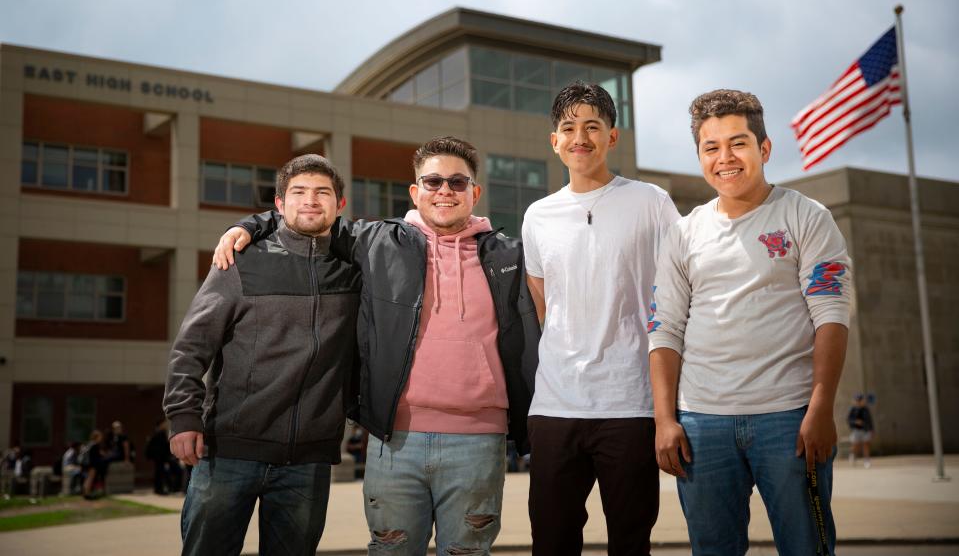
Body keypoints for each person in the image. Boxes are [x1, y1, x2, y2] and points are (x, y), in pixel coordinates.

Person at [214, 136, 541, 556]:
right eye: (433, 181)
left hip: (479, 441)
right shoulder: (377, 241)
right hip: (395, 439)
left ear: (474, 192)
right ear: (415, 191)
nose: (444, 191)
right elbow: (309, 219)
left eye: (457, 183)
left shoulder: (508, 255)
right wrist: (249, 225)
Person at [648, 89, 851, 555]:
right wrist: (665, 419)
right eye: (711, 147)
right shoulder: (684, 233)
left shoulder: (807, 217)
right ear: (699, 154)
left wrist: (820, 407)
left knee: (808, 548)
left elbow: (831, 316)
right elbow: (665, 329)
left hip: (790, 418)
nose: (725, 158)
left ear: (764, 148)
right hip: (702, 423)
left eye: (738, 143)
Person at [164, 154, 361, 556]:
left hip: (309, 460)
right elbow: (192, 345)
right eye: (299, 192)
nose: (310, 200)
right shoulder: (240, 262)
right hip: (228, 452)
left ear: (339, 206)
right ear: (279, 204)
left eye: (322, 193)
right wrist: (183, 415)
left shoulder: (355, 269)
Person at [521, 82, 680, 556]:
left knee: (630, 543)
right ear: (555, 141)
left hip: (630, 404)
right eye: (568, 128)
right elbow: (543, 303)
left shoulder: (650, 202)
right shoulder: (538, 216)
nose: (580, 138)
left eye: (592, 126)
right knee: (551, 542)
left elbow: (678, 290)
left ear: (612, 137)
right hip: (554, 406)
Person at [847, 393, 874, 467]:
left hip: (865, 430)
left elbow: (870, 420)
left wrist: (872, 430)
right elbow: (849, 420)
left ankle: (866, 461)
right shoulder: (853, 409)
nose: (859, 401)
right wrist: (856, 422)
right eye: (857, 400)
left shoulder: (866, 409)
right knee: (855, 445)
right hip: (856, 430)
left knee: (866, 445)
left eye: (860, 400)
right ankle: (852, 456)